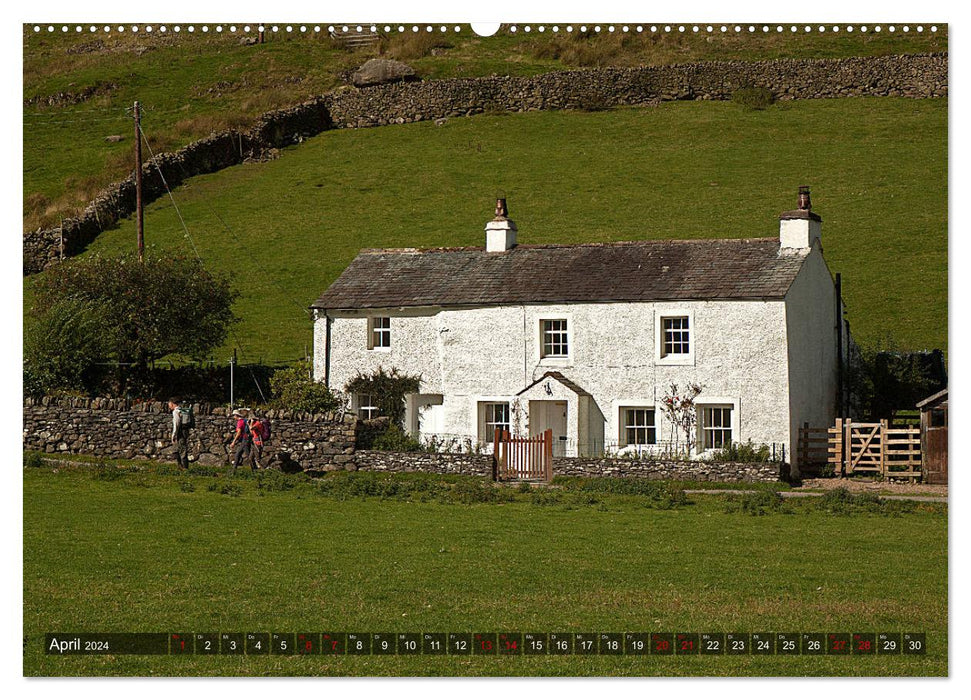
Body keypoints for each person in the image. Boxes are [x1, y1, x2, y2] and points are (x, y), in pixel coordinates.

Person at [228, 409, 254, 473]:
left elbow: (239, 432)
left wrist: (233, 441)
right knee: (239, 454)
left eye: (234, 415)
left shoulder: (240, 422)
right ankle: (233, 470)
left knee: (245, 455)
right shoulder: (244, 421)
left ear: (236, 415)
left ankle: (254, 470)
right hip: (246, 439)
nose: (233, 417)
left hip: (245, 440)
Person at [168, 397, 190, 470]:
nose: (168, 405)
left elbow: (176, 424)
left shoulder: (176, 411)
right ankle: (181, 466)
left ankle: (184, 468)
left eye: (169, 403)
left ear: (172, 404)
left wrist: (174, 434)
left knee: (181, 449)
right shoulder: (182, 410)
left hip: (179, 432)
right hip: (184, 431)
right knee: (180, 448)